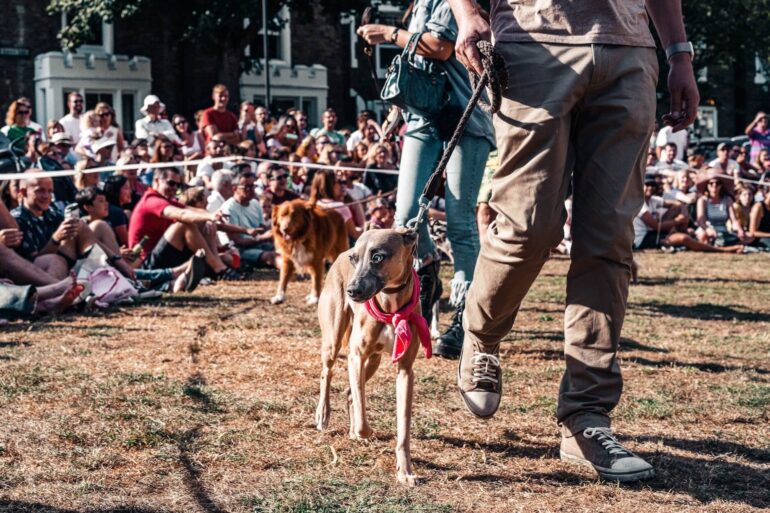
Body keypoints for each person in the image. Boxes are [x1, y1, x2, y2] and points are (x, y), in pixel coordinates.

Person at [439, 0, 701, 482]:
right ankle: (481, 332)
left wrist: (679, 54)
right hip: (530, 42)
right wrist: (465, 14)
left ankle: (587, 418)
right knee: (529, 227)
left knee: (609, 240)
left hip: (629, 49)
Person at [358, 0, 495, 356]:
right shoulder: (419, 4)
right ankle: (430, 269)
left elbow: (441, 47)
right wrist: (396, 112)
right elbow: (419, 61)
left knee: (462, 224)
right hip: (420, 119)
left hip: (464, 117)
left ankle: (465, 318)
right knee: (405, 218)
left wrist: (387, 33)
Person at [11, 170, 133, 280]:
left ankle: (119, 274)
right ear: (23, 192)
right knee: (54, 259)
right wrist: (56, 240)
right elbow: (32, 263)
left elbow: (89, 237)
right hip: (41, 274)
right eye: (40, 191)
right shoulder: (17, 219)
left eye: (49, 191)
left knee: (99, 226)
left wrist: (117, 258)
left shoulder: (51, 214)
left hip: (66, 264)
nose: (46, 196)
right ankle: (117, 277)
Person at [127, 167, 238, 279]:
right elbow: (183, 214)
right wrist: (210, 216)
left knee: (208, 228)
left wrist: (246, 230)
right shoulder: (151, 200)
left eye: (177, 185)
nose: (174, 188)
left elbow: (192, 212)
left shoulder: (167, 201)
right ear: (156, 181)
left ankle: (217, 267)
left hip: (165, 256)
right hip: (146, 264)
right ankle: (219, 269)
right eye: (171, 183)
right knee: (185, 223)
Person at [219, 169, 276, 268]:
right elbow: (237, 241)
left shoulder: (255, 203)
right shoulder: (229, 208)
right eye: (247, 187)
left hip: (258, 244)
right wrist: (261, 238)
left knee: (283, 249)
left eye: (253, 186)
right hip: (240, 250)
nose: (251, 189)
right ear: (235, 189)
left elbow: (262, 229)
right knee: (270, 256)